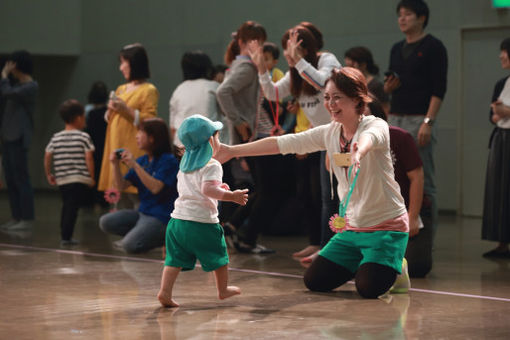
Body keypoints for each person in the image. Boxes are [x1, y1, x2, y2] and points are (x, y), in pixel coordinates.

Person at [217, 67, 409, 299]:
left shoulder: (374, 125)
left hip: (385, 227)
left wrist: (359, 152)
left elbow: (370, 140)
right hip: (351, 229)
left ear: (357, 99)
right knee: (314, 280)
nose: (330, 104)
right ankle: (367, 261)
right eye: (327, 97)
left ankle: (398, 266)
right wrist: (231, 150)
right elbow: (282, 143)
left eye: (337, 97)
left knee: (368, 288)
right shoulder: (330, 132)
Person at [247, 24, 340, 255]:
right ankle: (317, 243)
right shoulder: (297, 71)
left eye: (290, 48)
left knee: (331, 196)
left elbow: (321, 83)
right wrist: (261, 70)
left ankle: (331, 247)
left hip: (337, 137)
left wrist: (298, 61)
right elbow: (273, 93)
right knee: (309, 194)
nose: (287, 54)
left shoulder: (326, 60)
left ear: (304, 47)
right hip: (316, 137)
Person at [158, 115, 248, 307]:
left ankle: (165, 292)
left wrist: (219, 189)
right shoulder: (212, 164)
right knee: (220, 256)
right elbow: (207, 190)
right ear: (210, 140)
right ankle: (223, 290)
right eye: (218, 137)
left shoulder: (184, 165)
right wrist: (231, 195)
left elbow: (198, 189)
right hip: (201, 222)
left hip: (177, 222)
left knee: (174, 260)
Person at [222, 41, 294, 253]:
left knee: (266, 191)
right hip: (261, 140)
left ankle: (234, 226)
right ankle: (246, 237)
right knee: (268, 192)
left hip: (262, 138)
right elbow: (225, 95)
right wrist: (239, 125)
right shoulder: (251, 75)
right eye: (261, 55)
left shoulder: (253, 76)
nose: (266, 61)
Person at [384, 0, 448, 239]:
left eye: (407, 14)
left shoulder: (434, 47)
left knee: (424, 179)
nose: (402, 19)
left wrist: (428, 122)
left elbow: (439, 88)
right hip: (395, 117)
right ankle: (394, 234)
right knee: (393, 178)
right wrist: (389, 89)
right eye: (400, 15)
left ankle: (424, 238)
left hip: (419, 119)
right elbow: (392, 87)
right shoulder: (395, 48)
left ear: (421, 17)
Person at [368, 96, 432, 277]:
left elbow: (417, 178)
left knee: (416, 266)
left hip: (406, 210)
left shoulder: (400, 137)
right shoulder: (351, 142)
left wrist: (411, 217)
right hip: (374, 214)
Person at [99, 118, 179, 253]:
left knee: (129, 245)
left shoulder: (168, 160)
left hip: (162, 217)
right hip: (143, 213)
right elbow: (121, 187)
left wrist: (134, 165)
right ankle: (142, 234)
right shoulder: (143, 160)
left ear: (152, 138)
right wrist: (115, 165)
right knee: (106, 222)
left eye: (140, 132)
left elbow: (156, 188)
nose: (136, 136)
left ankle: (167, 237)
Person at [97, 43, 159, 197]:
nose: (121, 67)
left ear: (134, 63)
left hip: (134, 147)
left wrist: (125, 109)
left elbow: (150, 120)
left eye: (124, 62)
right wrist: (110, 110)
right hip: (115, 144)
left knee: (134, 193)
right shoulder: (121, 89)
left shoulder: (148, 90)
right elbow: (110, 119)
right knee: (117, 193)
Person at [44, 100, 95, 246]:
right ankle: (66, 236)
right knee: (72, 208)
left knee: (67, 205)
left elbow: (47, 155)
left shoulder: (56, 137)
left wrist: (49, 173)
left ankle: (65, 234)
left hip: (62, 178)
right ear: (78, 118)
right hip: (78, 178)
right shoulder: (83, 137)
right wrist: (91, 177)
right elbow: (89, 157)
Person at [0, 50, 38, 231]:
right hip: (7, 136)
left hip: (18, 137)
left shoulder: (30, 86)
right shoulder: (16, 86)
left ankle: (27, 218)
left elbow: (8, 93)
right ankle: (16, 217)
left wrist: (4, 76)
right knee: (11, 179)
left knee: (21, 179)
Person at [482, 37, 510, 258]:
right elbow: (491, 115)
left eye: (505, 51)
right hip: (501, 137)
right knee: (499, 190)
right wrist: (498, 113)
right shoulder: (501, 83)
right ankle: (502, 242)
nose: (501, 56)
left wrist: (506, 112)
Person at [169, 51, 227, 146]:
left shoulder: (178, 90)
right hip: (209, 147)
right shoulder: (214, 87)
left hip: (182, 146)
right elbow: (228, 114)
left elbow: (173, 128)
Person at [85, 81, 109, 206]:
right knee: (102, 172)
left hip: (91, 145)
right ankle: (103, 200)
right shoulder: (108, 111)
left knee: (90, 171)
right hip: (104, 146)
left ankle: (88, 200)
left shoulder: (88, 111)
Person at [344, 46, 390, 113]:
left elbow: (385, 109)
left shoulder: (376, 85)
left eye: (352, 67)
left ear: (363, 65)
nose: (350, 71)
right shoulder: (350, 84)